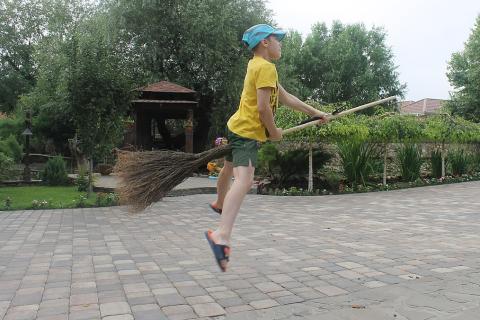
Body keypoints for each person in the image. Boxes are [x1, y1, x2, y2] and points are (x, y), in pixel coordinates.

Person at [205, 24, 329, 272]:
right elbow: (263, 109)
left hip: (236, 126)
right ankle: (222, 234)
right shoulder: (265, 67)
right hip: (246, 134)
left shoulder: (259, 66)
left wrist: (316, 113)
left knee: (229, 168)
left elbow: (285, 97)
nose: (280, 44)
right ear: (265, 42)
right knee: (244, 180)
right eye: (277, 40)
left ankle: (220, 202)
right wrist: (273, 133)